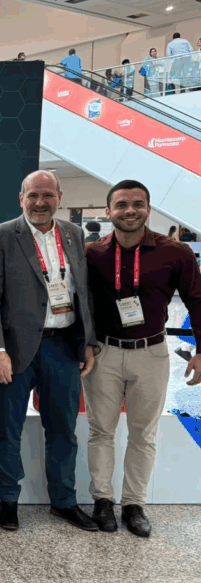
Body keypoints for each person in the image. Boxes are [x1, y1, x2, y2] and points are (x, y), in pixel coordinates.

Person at [0, 170, 98, 532]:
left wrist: (87, 342)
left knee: (63, 429)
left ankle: (64, 501)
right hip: (13, 350)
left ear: (59, 197)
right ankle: (8, 500)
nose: (40, 203)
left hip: (62, 347)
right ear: (21, 198)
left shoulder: (74, 236)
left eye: (47, 195)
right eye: (33, 196)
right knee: (7, 427)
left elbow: (82, 293)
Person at [83, 180, 201, 538]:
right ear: (108, 212)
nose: (129, 211)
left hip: (151, 353)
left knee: (143, 434)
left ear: (148, 209)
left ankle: (134, 504)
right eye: (121, 205)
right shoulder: (92, 253)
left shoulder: (175, 252)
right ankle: (102, 500)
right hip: (104, 353)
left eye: (137, 204)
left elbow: (196, 300)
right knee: (100, 431)